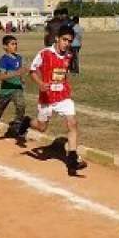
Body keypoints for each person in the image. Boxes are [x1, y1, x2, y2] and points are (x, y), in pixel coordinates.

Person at [27, 24, 85, 176]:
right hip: (46, 98)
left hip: (63, 97)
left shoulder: (69, 55)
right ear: (57, 39)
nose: (67, 43)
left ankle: (72, 160)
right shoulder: (45, 53)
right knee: (41, 127)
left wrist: (65, 85)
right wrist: (41, 84)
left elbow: (64, 73)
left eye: (70, 41)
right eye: (64, 40)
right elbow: (32, 70)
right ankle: (27, 122)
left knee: (72, 123)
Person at [0, 35, 29, 142]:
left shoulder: (19, 58)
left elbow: (19, 72)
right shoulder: (4, 60)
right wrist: (16, 73)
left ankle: (17, 126)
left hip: (17, 88)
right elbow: (1, 76)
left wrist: (21, 79)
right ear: (5, 46)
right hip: (6, 90)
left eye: (16, 44)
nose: (15, 46)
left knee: (21, 105)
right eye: (12, 44)